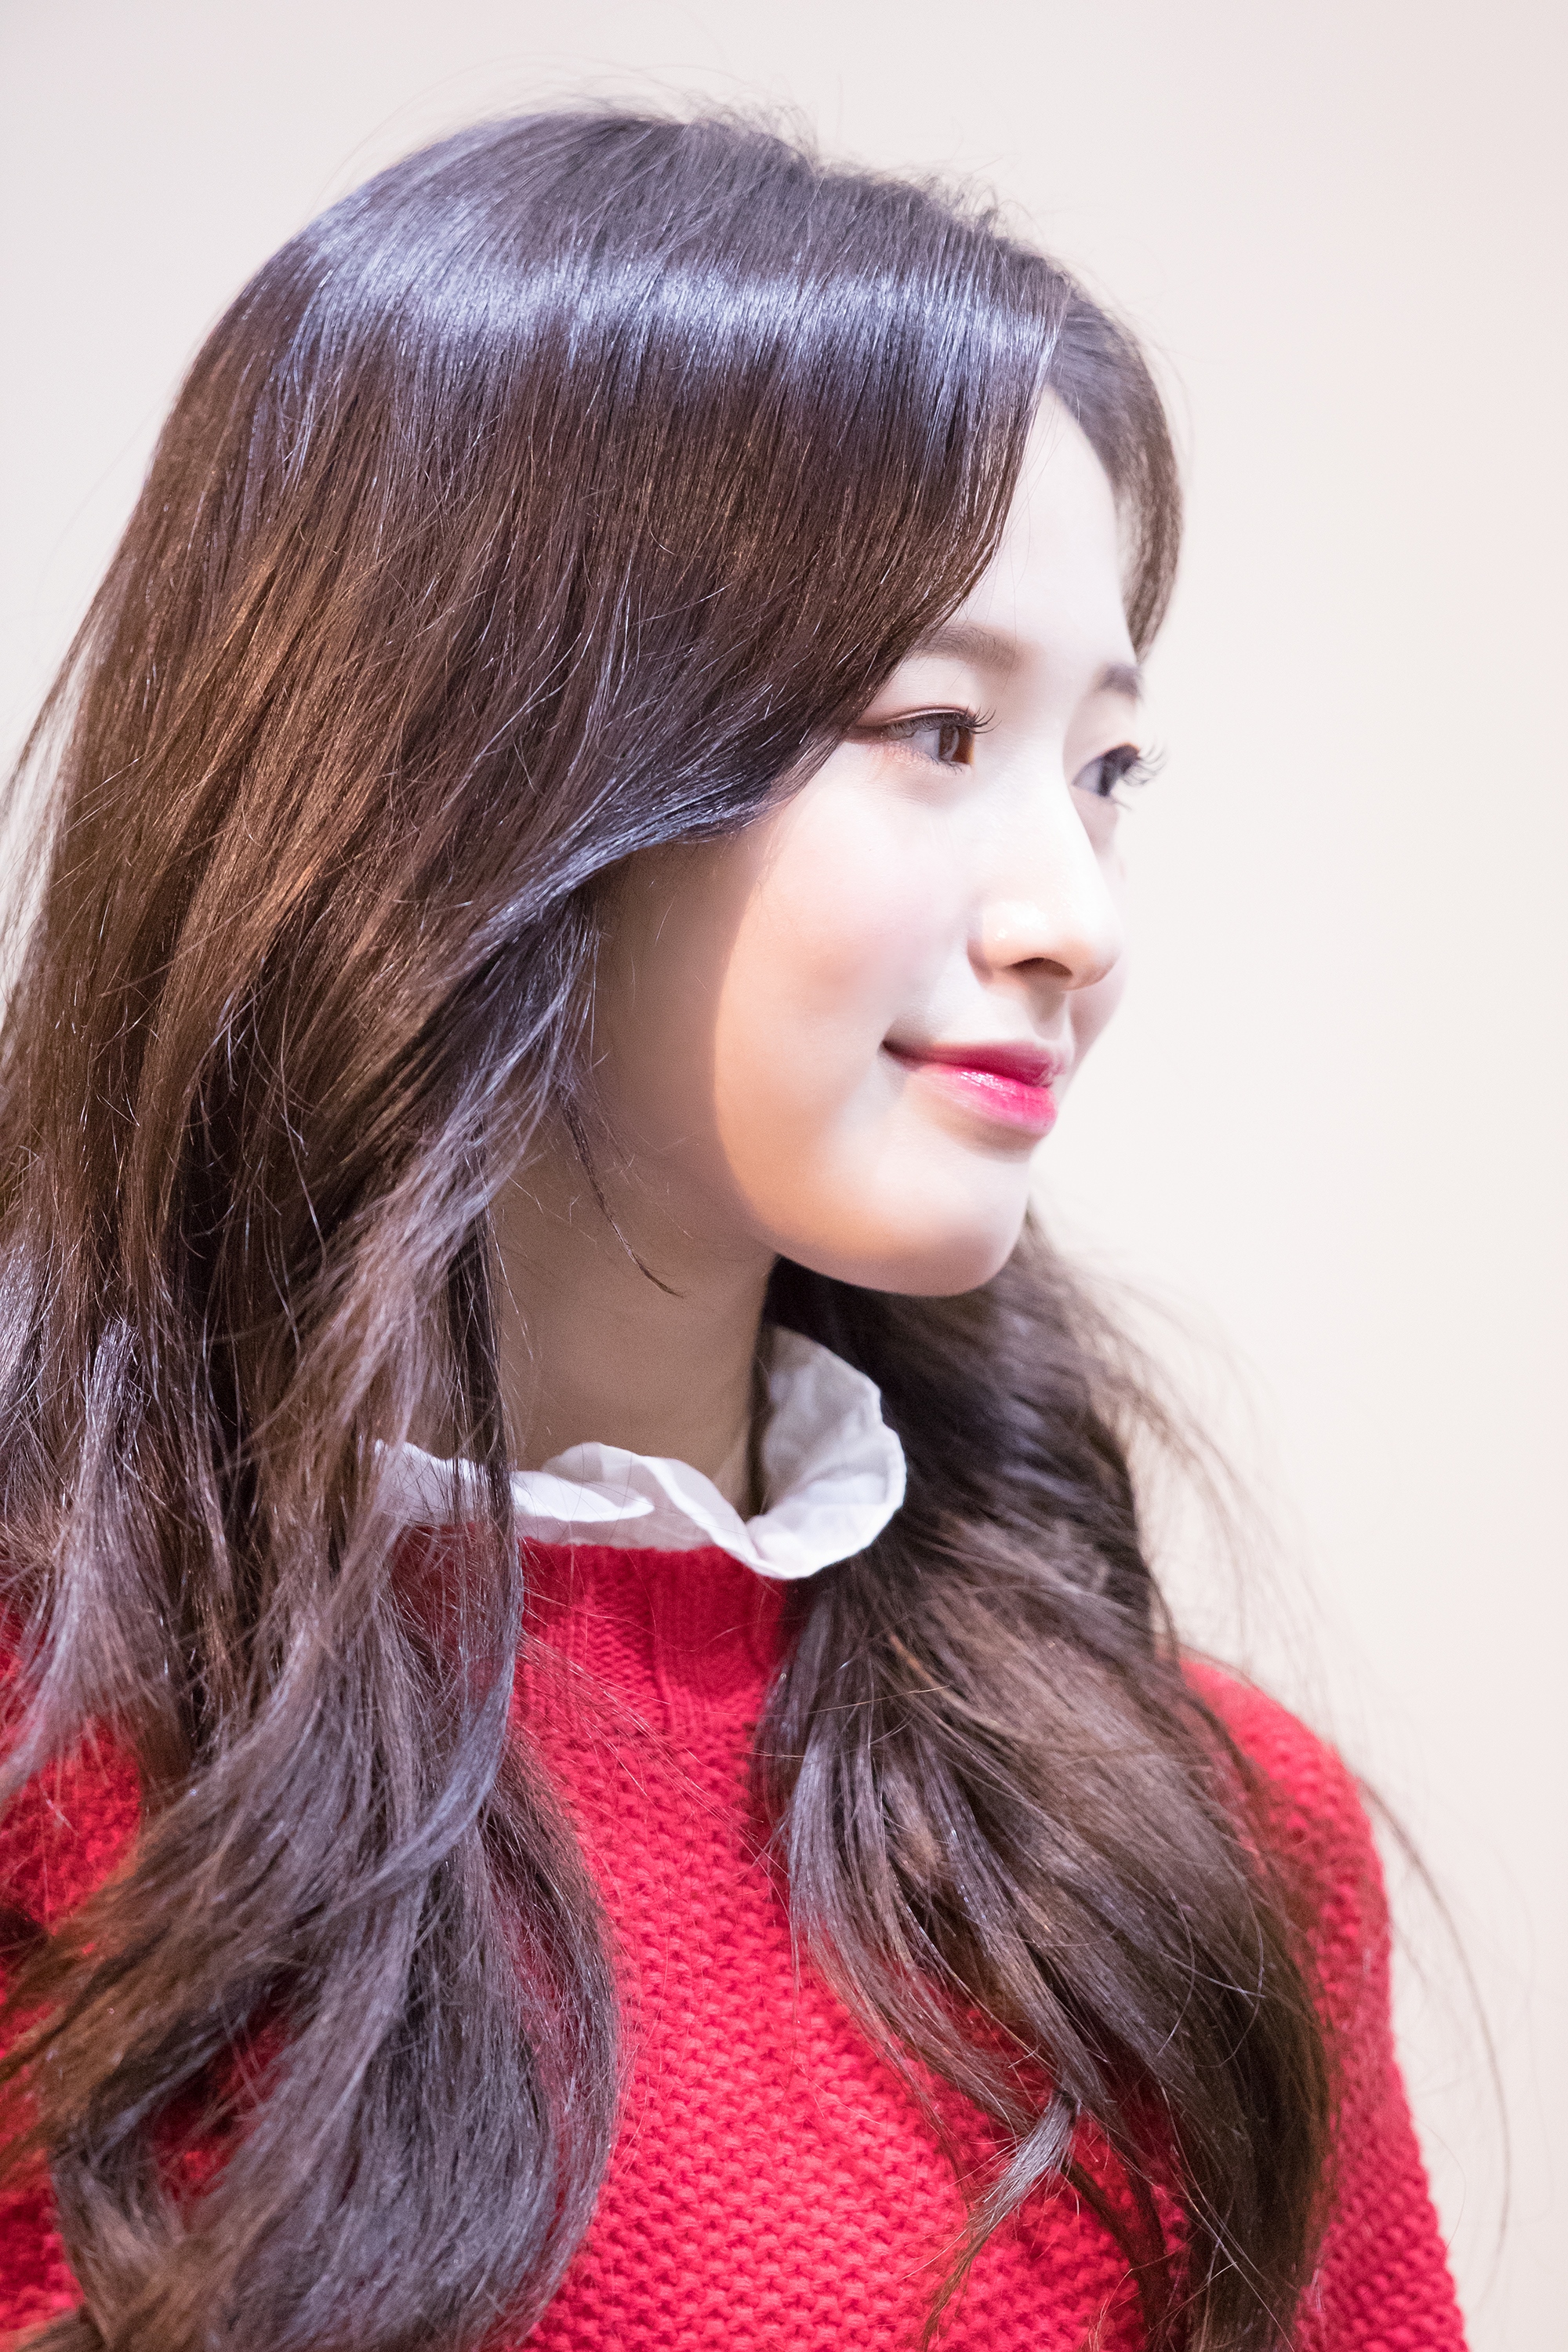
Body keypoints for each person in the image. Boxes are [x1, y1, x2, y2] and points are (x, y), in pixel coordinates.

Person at [0, 109, 1465, 2351]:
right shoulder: (57, 1774)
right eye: (937, 730)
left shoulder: (1214, 1853)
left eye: (1105, 772)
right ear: (478, 755)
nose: (1078, 922)